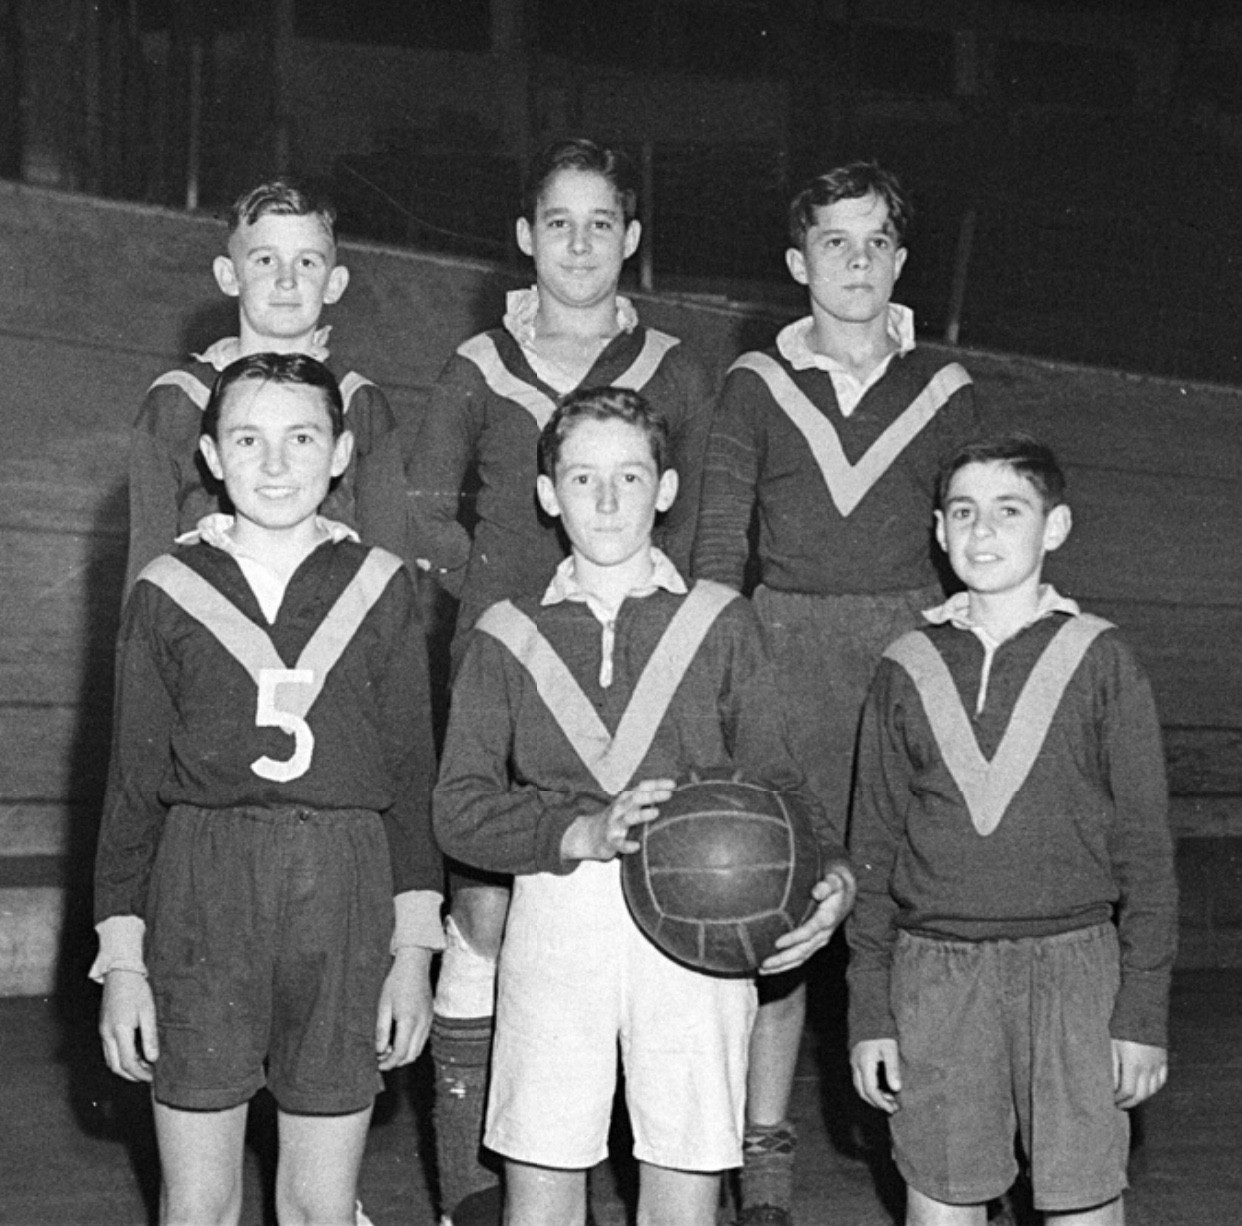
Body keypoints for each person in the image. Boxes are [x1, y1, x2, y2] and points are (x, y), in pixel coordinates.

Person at [433, 387, 854, 1226]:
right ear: (548, 493)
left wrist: (834, 874)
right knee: (544, 1177)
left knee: (684, 1179)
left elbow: (781, 780)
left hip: (705, 915)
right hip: (558, 914)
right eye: (583, 478)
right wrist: (574, 830)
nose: (607, 499)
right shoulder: (505, 632)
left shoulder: (720, 622)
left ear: (665, 489)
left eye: (630, 476)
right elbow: (457, 807)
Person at [407, 137, 716, 1224]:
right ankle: (472, 1184)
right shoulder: (478, 364)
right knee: (488, 915)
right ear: (524, 238)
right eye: (559, 223)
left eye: (602, 224)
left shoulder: (675, 366)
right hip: (515, 662)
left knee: (654, 907)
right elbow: (420, 507)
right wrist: (491, 589)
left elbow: (703, 518)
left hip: (636, 656)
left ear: (630, 240)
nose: (579, 243)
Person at [691, 161, 983, 1224]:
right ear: (795, 262)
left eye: (874, 244)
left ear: (900, 262)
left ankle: (939, 1169)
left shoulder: (947, 389)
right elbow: (721, 550)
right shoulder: (754, 384)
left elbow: (978, 541)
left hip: (907, 664)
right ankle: (762, 1172)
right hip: (782, 661)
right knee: (780, 914)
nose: (854, 262)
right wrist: (709, 680)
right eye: (833, 243)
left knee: (912, 917)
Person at [93, 353, 444, 1226]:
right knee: (198, 1203)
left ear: (341, 454)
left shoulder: (382, 586)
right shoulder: (167, 590)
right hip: (201, 887)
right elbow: (131, 791)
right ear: (211, 454)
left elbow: (411, 776)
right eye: (248, 438)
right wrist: (124, 963)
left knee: (321, 1204)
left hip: (346, 884)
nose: (276, 464)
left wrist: (413, 952)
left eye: (302, 438)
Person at [847, 435, 1178, 1226]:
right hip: (938, 975)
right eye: (963, 512)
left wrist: (1140, 1013)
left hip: (1076, 974)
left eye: (1008, 511)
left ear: (1054, 527)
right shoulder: (906, 666)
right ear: (938, 529)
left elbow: (1147, 856)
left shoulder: (1101, 659)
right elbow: (872, 855)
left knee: (1085, 1202)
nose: (983, 532)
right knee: (943, 1199)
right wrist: (870, 1014)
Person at [125, 178, 408, 593]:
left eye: (307, 263)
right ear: (228, 275)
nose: (287, 280)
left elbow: (392, 573)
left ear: (335, 283)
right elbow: (144, 576)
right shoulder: (176, 400)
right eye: (264, 261)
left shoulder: (359, 403)